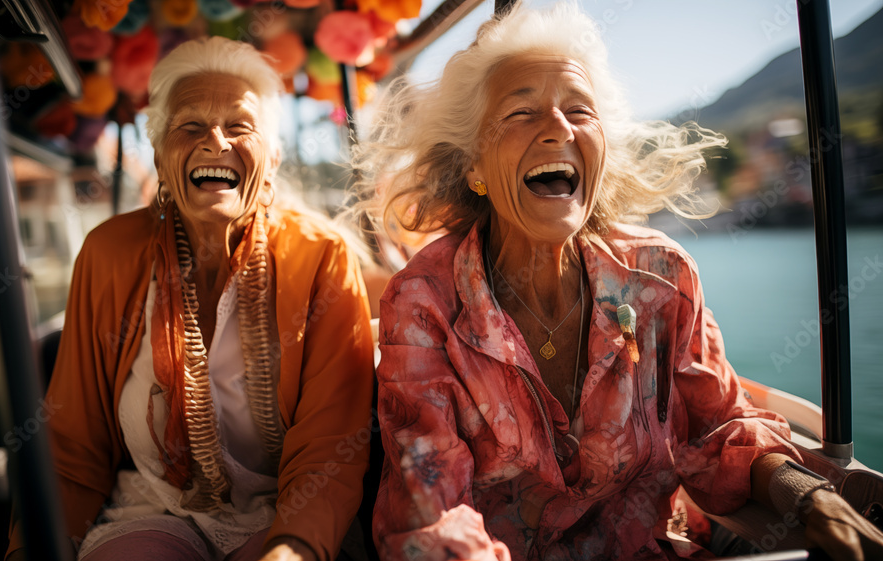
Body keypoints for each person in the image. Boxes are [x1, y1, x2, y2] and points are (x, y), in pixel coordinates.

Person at [354, 4, 883, 560]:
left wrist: (810, 497)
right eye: (520, 113)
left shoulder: (661, 275)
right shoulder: (424, 301)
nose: (559, 127)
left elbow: (720, 425)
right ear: (474, 167)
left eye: (579, 111)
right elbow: (430, 514)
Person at [6, 37, 375, 561]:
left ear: (270, 160)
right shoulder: (108, 252)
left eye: (239, 125)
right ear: (160, 159)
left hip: (285, 516)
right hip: (151, 509)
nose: (215, 141)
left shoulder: (322, 258)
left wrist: (292, 550)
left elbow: (329, 450)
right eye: (191, 126)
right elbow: (73, 447)